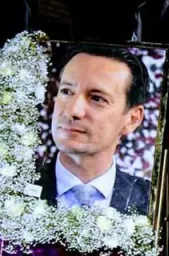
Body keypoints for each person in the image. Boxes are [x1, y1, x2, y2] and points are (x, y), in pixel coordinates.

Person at [36, 45, 151, 215]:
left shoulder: (150, 201)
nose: (72, 111)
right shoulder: (13, 187)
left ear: (132, 119)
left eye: (97, 98)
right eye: (67, 91)